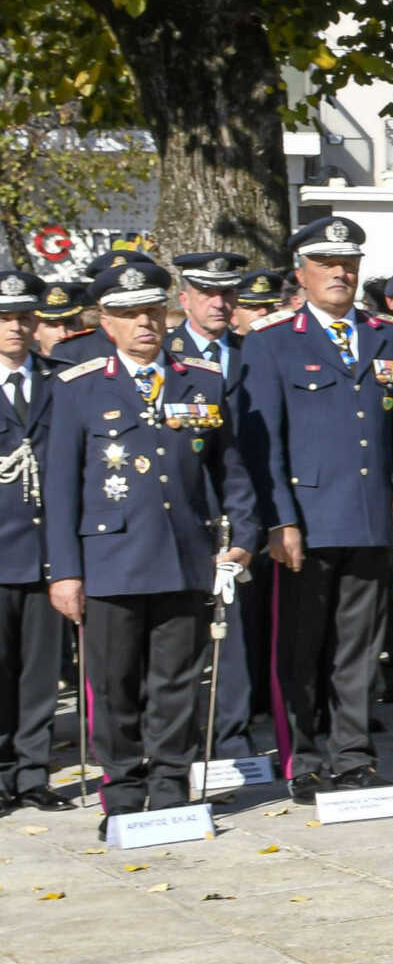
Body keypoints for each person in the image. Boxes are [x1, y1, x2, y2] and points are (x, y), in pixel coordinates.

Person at [43, 259, 259, 831]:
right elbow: (61, 489)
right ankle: (122, 788)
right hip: (110, 559)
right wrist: (64, 571)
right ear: (104, 323)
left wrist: (242, 536)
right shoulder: (77, 387)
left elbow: (231, 470)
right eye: (127, 314)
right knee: (114, 684)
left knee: (177, 681)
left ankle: (168, 784)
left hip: (184, 555)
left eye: (151, 312)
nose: (144, 323)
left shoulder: (201, 380)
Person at [238, 216, 393, 801]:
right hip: (307, 522)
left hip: (368, 514)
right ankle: (304, 756)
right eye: (326, 264)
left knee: (359, 648)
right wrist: (280, 519)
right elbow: (262, 440)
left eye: (349, 264)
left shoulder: (387, 336)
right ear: (302, 273)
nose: (340, 273)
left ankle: (353, 755)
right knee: (300, 647)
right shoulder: (271, 339)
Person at [169, 251, 261, 761]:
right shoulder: (167, 354)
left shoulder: (255, 352)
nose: (220, 303)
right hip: (188, 514)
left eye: (228, 294)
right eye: (208, 293)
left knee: (241, 638)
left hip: (247, 513)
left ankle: (233, 738)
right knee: (183, 639)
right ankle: (180, 740)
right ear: (186, 299)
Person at [0, 273, 66, 815]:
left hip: (48, 550)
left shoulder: (61, 380)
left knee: (42, 673)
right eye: (5, 318)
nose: (17, 327)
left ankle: (33, 774)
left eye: (24, 316)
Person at [33, 280, 86, 357]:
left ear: (82, 326)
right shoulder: (29, 368)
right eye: (52, 326)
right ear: (35, 331)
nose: (63, 334)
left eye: (69, 323)